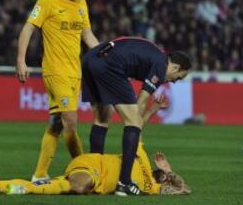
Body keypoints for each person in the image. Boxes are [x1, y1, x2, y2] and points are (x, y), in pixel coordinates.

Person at [0, 96, 191, 196]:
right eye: (165, 177)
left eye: (166, 178)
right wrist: (153, 109)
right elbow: (138, 125)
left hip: (94, 179)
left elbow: (184, 189)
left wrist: (170, 171)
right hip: (93, 165)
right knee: (77, 187)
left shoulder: (151, 189)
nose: (165, 180)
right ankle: (22, 188)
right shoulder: (140, 156)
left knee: (63, 186)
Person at [16, 0, 99, 182]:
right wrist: (21, 60)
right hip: (55, 71)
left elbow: (87, 35)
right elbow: (28, 28)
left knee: (56, 123)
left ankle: (40, 173)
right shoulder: (47, 2)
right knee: (70, 121)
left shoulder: (82, 4)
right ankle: (84, 168)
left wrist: (104, 54)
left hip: (75, 72)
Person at [82, 36, 192, 196]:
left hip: (90, 58)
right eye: (178, 78)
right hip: (110, 65)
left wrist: (147, 112)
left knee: (102, 118)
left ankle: (95, 172)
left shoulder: (154, 53)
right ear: (175, 68)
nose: (174, 81)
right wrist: (143, 116)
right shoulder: (161, 65)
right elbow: (140, 102)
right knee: (133, 122)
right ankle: (124, 182)